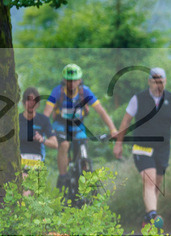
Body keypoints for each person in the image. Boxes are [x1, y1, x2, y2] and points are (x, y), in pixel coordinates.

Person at [113, 66, 171, 226]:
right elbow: (125, 122)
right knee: (149, 180)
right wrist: (119, 143)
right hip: (142, 146)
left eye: (160, 81)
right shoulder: (138, 99)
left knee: (157, 184)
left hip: (162, 148)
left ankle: (148, 219)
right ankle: (154, 216)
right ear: (149, 82)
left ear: (165, 82)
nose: (157, 85)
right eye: (154, 81)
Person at [42, 63, 118, 192]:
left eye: (75, 80)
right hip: (61, 124)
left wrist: (113, 129)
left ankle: (84, 174)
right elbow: (46, 114)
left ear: (80, 80)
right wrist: (45, 132)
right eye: (69, 80)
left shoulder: (85, 92)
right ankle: (62, 177)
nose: (72, 84)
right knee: (65, 144)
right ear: (64, 80)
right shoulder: (57, 91)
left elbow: (101, 111)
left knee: (83, 146)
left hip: (78, 126)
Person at [18, 86, 58, 195]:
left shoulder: (43, 120)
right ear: (23, 102)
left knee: (35, 195)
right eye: (28, 100)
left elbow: (55, 144)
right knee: (26, 190)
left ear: (38, 104)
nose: (31, 104)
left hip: (37, 162)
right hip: (21, 162)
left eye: (34, 101)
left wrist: (42, 139)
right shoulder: (17, 120)